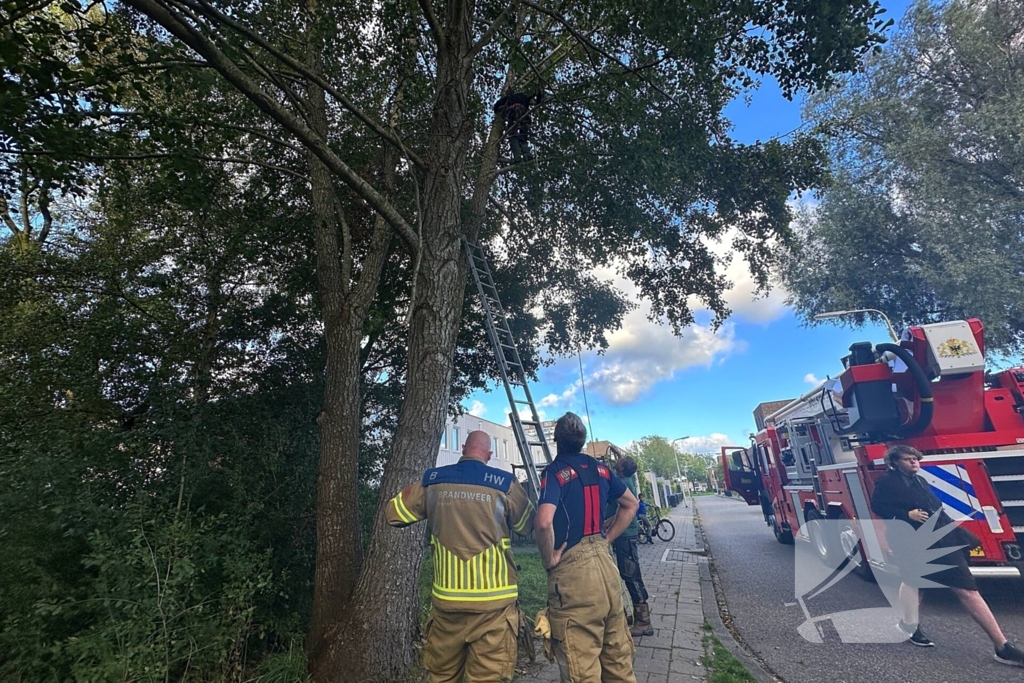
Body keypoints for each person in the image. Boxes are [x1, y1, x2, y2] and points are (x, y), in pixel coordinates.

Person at [386, 430, 536, 682]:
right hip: (494, 607)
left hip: (447, 605)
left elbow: (394, 514)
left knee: (442, 677)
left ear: (463, 448)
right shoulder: (505, 483)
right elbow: (527, 525)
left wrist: (427, 493)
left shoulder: (433, 480)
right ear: (489, 454)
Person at [870, 444, 1024, 666]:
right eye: (908, 459)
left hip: (940, 538)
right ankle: (1001, 647)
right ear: (894, 462)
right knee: (935, 583)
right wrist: (906, 514)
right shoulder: (886, 482)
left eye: (916, 458)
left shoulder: (920, 481)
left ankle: (1000, 645)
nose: (914, 462)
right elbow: (878, 506)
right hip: (913, 541)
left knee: (948, 585)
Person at [536, 412, 639, 683]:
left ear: (556, 439)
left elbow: (544, 522)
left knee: (580, 668)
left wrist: (549, 559)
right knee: (619, 662)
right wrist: (606, 539)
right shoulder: (602, 470)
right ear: (583, 441)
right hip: (607, 571)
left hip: (574, 576)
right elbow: (631, 505)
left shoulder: (555, 473)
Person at [608, 456, 654, 637]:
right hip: (623, 534)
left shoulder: (623, 482)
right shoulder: (626, 481)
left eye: (620, 460)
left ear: (622, 468)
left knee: (631, 575)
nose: (616, 460)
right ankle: (628, 615)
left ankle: (644, 621)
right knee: (624, 573)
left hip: (624, 534)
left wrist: (607, 523)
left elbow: (625, 509)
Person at [492, 91, 538, 162]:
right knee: (524, 135)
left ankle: (517, 156)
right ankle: (527, 154)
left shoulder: (509, 98)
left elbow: (497, 104)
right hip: (524, 114)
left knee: (513, 135)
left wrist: (497, 112)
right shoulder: (526, 95)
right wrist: (538, 102)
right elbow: (537, 91)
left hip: (513, 114)